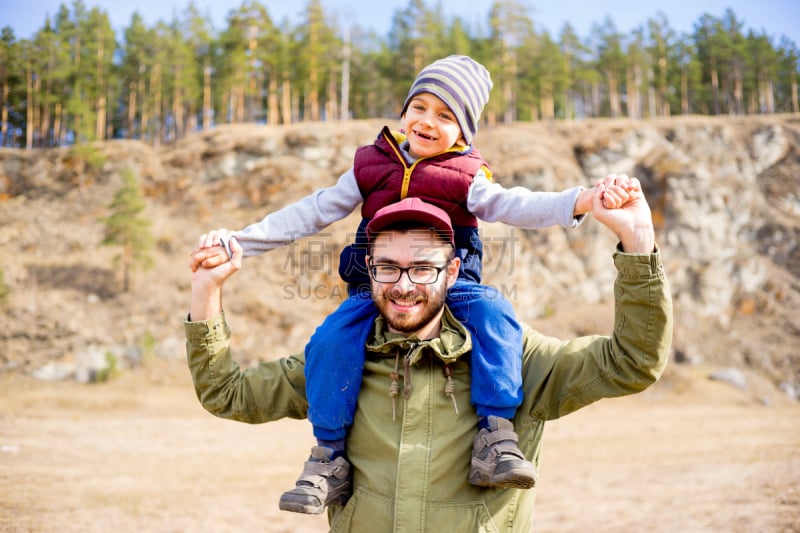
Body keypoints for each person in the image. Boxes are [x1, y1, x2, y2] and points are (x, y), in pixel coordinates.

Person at [191, 55, 635, 514]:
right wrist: (239, 242)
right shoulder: (371, 164)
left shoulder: (466, 175)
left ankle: (496, 433)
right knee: (330, 340)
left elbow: (513, 205)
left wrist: (581, 200)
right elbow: (313, 211)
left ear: (463, 133)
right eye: (419, 107)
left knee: (495, 314)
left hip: (450, 283)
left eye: (445, 116)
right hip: (375, 285)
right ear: (404, 111)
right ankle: (327, 456)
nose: (427, 121)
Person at [185, 185, 672, 531]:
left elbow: (632, 360)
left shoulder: (513, 360)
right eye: (388, 268)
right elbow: (227, 395)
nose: (402, 285)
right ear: (368, 270)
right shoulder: (339, 361)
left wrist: (638, 244)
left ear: (453, 270)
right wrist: (206, 292)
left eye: (422, 268)